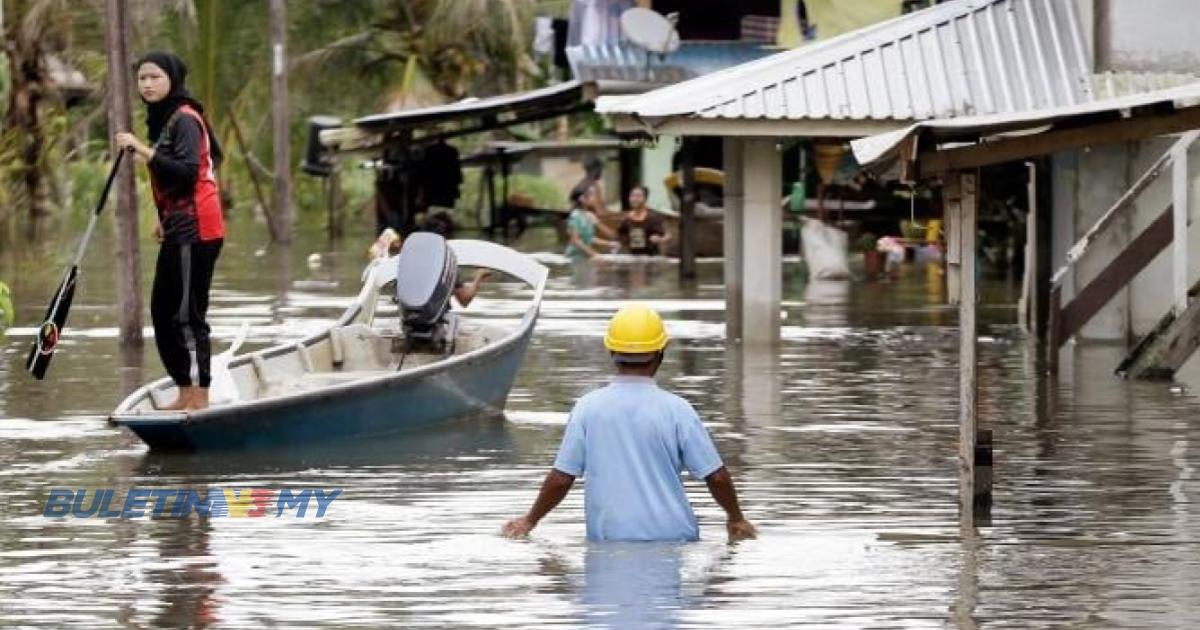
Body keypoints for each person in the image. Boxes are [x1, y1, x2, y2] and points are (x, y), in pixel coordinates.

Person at [502, 305, 756, 542]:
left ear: (612, 353)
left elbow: (561, 478)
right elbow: (717, 476)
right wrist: (735, 518)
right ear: (660, 354)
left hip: (611, 540)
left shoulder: (588, 408)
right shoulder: (678, 410)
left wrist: (529, 520)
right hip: (674, 537)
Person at [115, 52, 225, 411]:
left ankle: (198, 396)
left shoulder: (186, 119)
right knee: (162, 312)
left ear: (172, 79)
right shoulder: (164, 120)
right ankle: (184, 389)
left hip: (197, 228)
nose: (147, 84)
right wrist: (163, 214)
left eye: (155, 77)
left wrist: (142, 150)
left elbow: (189, 171)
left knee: (186, 315)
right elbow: (171, 177)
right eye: (142, 78)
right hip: (178, 225)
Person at [564, 186, 617, 260]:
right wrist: (594, 254)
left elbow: (589, 238)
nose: (595, 198)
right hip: (575, 258)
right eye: (592, 195)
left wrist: (609, 244)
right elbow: (576, 240)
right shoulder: (575, 216)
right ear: (582, 199)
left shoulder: (589, 215)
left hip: (585, 257)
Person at [617, 185, 669, 256]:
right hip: (632, 257)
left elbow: (667, 236)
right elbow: (619, 235)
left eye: (638, 196)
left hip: (651, 257)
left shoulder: (653, 217)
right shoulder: (626, 219)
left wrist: (659, 239)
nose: (635, 199)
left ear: (645, 198)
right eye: (632, 196)